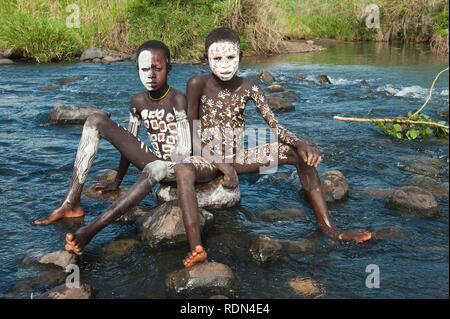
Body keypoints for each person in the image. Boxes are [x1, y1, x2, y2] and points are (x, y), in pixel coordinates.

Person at [174, 27, 372, 267]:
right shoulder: (197, 83)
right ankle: (197, 247)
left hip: (238, 158)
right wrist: (220, 165)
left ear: (241, 56)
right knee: (184, 169)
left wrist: (301, 144)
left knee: (298, 155)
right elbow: (191, 134)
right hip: (206, 159)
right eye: (217, 58)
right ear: (206, 59)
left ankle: (329, 229)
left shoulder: (249, 87)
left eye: (230, 57)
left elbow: (274, 126)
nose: (224, 64)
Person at [34, 40, 215, 255]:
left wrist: (146, 181)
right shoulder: (137, 101)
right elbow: (130, 143)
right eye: (145, 69)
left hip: (181, 164)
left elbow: (184, 152)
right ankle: (71, 202)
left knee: (157, 167)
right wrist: (117, 181)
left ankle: (90, 231)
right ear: (137, 70)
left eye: (158, 69)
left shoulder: (178, 99)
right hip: (155, 162)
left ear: (169, 69)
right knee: (95, 120)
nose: (151, 75)